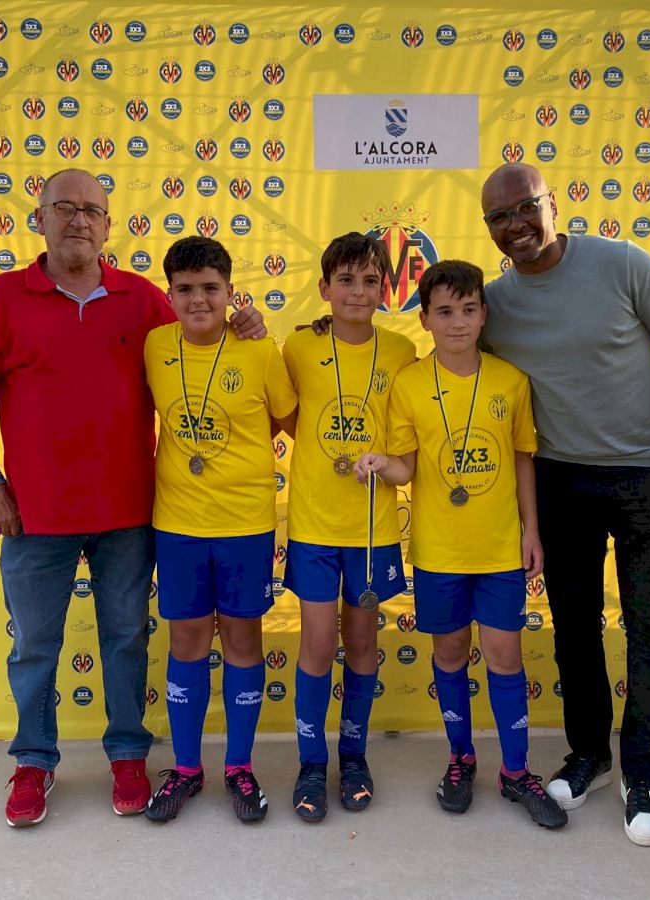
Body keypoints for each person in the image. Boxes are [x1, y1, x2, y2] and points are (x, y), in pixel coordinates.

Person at [0, 168, 265, 828]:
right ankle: (34, 761)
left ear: (109, 225)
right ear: (39, 218)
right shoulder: (2, 298)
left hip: (130, 515)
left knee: (125, 640)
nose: (79, 220)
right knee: (35, 646)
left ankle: (127, 755)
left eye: (92, 210)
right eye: (65, 207)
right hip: (35, 517)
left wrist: (249, 325)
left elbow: (202, 345)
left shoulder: (142, 300)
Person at [478, 162, 650, 846]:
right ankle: (590, 756)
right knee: (575, 631)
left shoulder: (622, 263)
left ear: (553, 203)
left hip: (649, 478)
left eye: (526, 207)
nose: (516, 225)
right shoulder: (495, 304)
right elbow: (443, 342)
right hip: (561, 482)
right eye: (499, 217)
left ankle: (643, 772)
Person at [356, 260, 568, 828]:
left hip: (498, 550)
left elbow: (522, 460)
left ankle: (516, 771)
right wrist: (380, 464)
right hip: (439, 552)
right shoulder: (409, 384)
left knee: (505, 657)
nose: (457, 322)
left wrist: (530, 529)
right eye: (444, 311)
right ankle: (461, 759)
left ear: (483, 315)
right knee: (449, 656)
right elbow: (406, 467)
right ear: (424, 318)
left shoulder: (510, 381)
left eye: (469, 310)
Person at [141, 237, 297, 823]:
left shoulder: (258, 349)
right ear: (169, 295)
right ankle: (186, 768)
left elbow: (290, 419)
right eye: (185, 289)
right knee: (185, 643)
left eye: (211, 288)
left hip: (245, 526)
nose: (198, 300)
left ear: (232, 292)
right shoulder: (156, 345)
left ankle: (239, 767)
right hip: (177, 525)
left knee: (241, 642)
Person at [280, 232, 416, 822]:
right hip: (314, 526)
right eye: (345, 280)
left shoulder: (402, 352)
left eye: (369, 281)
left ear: (385, 289)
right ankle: (311, 764)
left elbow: (409, 443)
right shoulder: (299, 346)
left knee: (362, 644)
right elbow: (285, 414)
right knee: (316, 645)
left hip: (371, 530)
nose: (357, 292)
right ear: (324, 288)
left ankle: (353, 758)